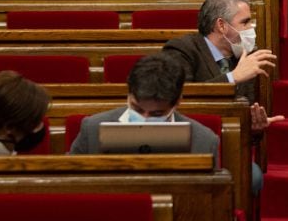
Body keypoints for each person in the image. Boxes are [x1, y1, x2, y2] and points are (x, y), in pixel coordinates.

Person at [163, 0, 282, 192]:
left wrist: (254, 127)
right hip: (189, 145)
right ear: (221, 25)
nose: (251, 29)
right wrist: (233, 77)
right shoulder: (182, 50)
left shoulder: (244, 58)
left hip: (230, 149)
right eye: (245, 23)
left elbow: (243, 119)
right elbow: (179, 99)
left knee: (251, 177)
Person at [69, 52, 219, 160]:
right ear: (129, 95)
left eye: (157, 114)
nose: (144, 118)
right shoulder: (92, 129)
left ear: (178, 102)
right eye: (137, 109)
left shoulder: (204, 142)